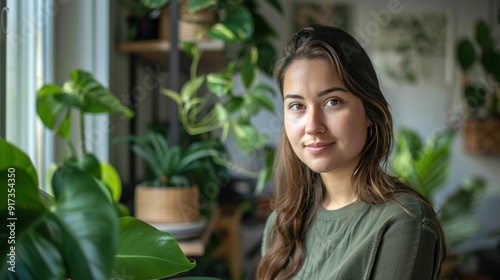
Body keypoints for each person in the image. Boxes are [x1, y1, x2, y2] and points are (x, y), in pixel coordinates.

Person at [256, 24, 446, 280]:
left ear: (370, 112)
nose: (313, 126)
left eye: (332, 102)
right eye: (297, 106)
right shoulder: (279, 225)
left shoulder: (402, 222)